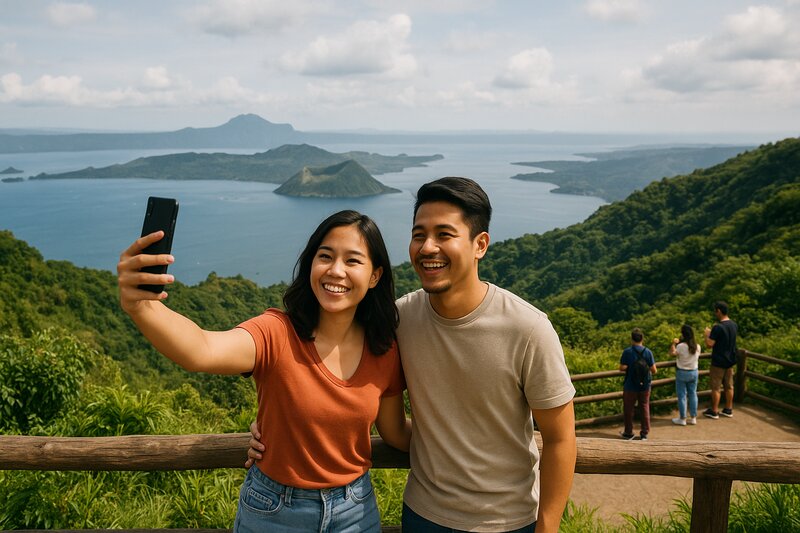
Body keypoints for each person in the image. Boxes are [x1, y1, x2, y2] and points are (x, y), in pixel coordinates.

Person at [249, 177, 577, 533]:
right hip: (423, 514)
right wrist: (276, 433)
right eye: (419, 234)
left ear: (480, 244)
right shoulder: (399, 321)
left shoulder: (527, 328)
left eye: (444, 235)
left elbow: (560, 438)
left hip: (509, 520)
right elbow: (334, 371)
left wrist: (547, 527)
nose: (427, 247)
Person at [117, 209, 411, 532]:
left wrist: (464, 440)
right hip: (275, 511)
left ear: (375, 275)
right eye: (325, 256)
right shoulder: (276, 333)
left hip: (355, 511)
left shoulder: (384, 349)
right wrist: (141, 305)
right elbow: (201, 349)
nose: (336, 270)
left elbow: (395, 432)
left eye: (353, 261)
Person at [618, 328, 657, 441]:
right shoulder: (648, 352)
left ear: (632, 339)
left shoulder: (627, 352)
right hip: (645, 385)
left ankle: (628, 432)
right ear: (642, 339)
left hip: (630, 385)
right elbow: (654, 370)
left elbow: (622, 367)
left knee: (629, 409)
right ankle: (644, 433)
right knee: (644, 407)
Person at [703, 300, 738, 419]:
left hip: (718, 361)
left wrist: (707, 334)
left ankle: (714, 411)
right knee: (729, 386)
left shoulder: (718, 327)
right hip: (730, 360)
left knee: (716, 387)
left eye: (715, 311)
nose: (715, 313)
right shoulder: (734, 325)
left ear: (719, 311)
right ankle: (728, 409)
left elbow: (709, 344)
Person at [669, 324, 701, 426]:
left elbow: (672, 353)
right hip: (694, 372)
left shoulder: (681, 346)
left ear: (683, 334)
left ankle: (682, 419)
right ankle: (693, 418)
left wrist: (673, 343)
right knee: (693, 394)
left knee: (682, 396)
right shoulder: (697, 346)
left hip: (682, 372)